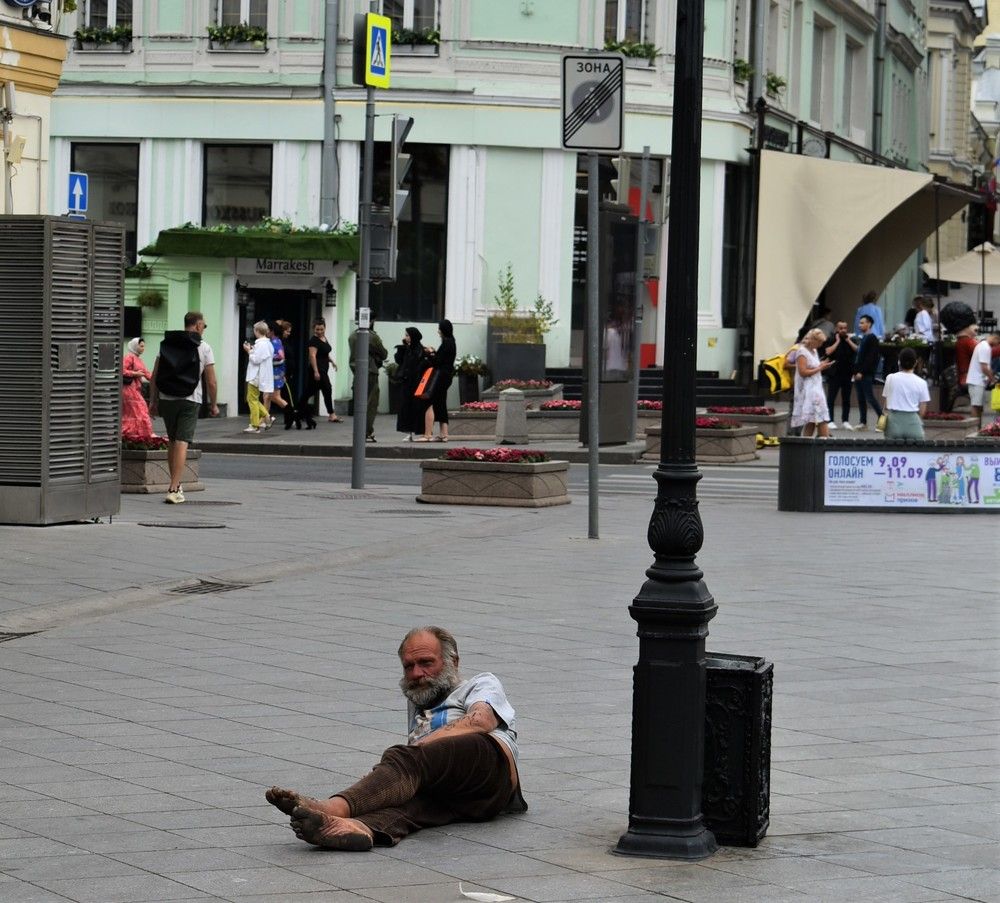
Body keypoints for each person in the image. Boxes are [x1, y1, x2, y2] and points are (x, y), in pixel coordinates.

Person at [264, 626, 527, 850]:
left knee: (405, 759)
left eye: (426, 663)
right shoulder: (419, 702)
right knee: (410, 805)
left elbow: (480, 721)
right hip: (467, 801)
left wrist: (411, 753)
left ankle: (333, 808)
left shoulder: (480, 684)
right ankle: (356, 828)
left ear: (453, 662)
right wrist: (381, 783)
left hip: (490, 771)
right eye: (409, 666)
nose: (417, 673)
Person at [149, 311, 219, 505]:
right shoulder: (204, 347)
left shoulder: (167, 344)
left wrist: (153, 400)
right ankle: (173, 488)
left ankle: (176, 484)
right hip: (190, 399)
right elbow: (211, 381)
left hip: (167, 398)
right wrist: (214, 404)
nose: (204, 329)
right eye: (204, 326)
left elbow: (155, 375)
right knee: (182, 441)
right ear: (197, 325)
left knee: (172, 440)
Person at [348, 314, 388, 442]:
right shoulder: (372, 336)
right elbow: (384, 354)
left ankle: (359, 431)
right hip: (370, 372)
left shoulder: (352, 336)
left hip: (357, 372)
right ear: (371, 321)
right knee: (371, 403)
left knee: (359, 404)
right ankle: (366, 431)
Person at [417, 318, 457, 442]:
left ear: (443, 330)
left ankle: (427, 434)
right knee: (441, 403)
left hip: (441, 376)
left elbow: (438, 362)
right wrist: (434, 352)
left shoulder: (446, 343)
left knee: (429, 402)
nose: (438, 331)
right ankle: (444, 434)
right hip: (447, 376)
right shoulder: (452, 341)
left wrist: (430, 353)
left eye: (439, 329)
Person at [790, 328, 833, 438]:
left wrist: (821, 365)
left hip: (816, 386)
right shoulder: (801, 352)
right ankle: (826, 441)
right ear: (813, 340)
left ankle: (805, 442)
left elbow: (813, 366)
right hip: (809, 389)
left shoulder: (814, 351)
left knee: (812, 420)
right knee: (821, 416)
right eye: (819, 342)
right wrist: (820, 368)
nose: (820, 345)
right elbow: (803, 372)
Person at [883, 348, 930, 440]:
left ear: (899, 362)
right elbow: (922, 408)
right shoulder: (922, 382)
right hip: (913, 422)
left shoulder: (890, 378)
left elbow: (886, 404)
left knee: (891, 447)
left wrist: (882, 421)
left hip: (894, 421)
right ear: (915, 363)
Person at [302, 318, 340, 425]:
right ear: (313, 329)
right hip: (317, 369)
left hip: (323, 368)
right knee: (327, 388)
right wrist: (316, 371)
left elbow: (324, 353)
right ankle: (331, 414)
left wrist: (332, 362)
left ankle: (298, 410)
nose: (319, 332)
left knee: (310, 391)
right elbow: (312, 356)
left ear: (325, 328)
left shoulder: (323, 338)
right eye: (317, 329)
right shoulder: (313, 341)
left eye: (322, 329)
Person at [394, 327, 429, 440]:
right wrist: (402, 348)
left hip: (416, 383)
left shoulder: (419, 350)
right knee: (406, 407)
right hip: (407, 382)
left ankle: (420, 432)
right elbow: (399, 361)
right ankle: (409, 432)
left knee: (416, 407)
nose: (405, 337)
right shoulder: (407, 348)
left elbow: (418, 366)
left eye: (407, 335)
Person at [823, 320, 857, 430]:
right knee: (831, 398)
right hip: (834, 373)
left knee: (846, 398)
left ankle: (845, 421)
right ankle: (830, 420)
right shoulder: (831, 339)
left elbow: (857, 350)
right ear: (836, 329)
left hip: (847, 373)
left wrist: (848, 341)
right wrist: (837, 341)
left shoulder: (851, 339)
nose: (843, 330)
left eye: (845, 328)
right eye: (840, 328)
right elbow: (828, 352)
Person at [242, 321, 274, 434]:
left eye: (254, 330)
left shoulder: (261, 344)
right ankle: (267, 416)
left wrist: (248, 351)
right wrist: (252, 350)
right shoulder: (268, 344)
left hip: (256, 375)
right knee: (253, 399)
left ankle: (255, 425)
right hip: (261, 375)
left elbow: (256, 360)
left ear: (257, 331)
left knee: (252, 400)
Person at [853, 314, 884, 430]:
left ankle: (882, 419)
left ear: (869, 324)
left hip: (865, 374)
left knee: (869, 397)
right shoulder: (864, 338)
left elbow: (871, 358)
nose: (859, 325)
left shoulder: (872, 338)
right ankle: (863, 422)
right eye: (859, 323)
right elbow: (859, 357)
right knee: (861, 398)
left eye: (862, 323)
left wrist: (861, 371)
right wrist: (855, 371)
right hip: (858, 373)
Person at [121, 337, 155, 440]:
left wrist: (158, 379)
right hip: (128, 389)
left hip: (136, 389)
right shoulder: (129, 357)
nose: (143, 348)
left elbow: (147, 374)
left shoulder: (139, 359)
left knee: (136, 412)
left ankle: (135, 435)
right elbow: (121, 370)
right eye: (141, 346)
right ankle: (133, 434)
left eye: (143, 346)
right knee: (140, 409)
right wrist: (135, 373)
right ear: (135, 346)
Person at [966, 332, 1000, 421]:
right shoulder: (985, 347)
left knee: (979, 407)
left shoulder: (983, 345)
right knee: (976, 406)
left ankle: (977, 426)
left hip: (978, 381)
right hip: (976, 381)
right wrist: (993, 379)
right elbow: (984, 367)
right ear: (996, 338)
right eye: (998, 342)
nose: (997, 345)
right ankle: (973, 426)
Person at [263, 321, 290, 422]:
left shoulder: (275, 342)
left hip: (275, 374)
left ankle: (292, 413)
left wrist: (268, 358)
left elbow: (281, 357)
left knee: (274, 397)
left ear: (272, 331)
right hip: (274, 374)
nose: (265, 332)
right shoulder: (274, 341)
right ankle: (264, 419)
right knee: (267, 397)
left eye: (267, 330)